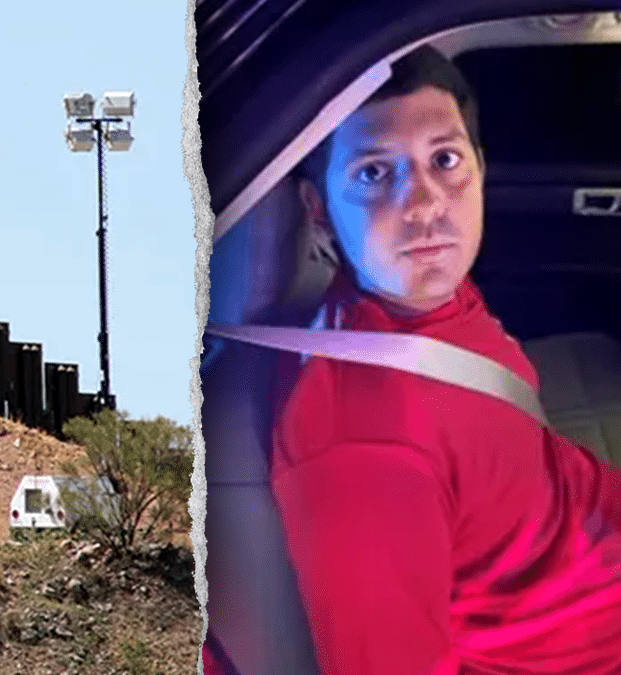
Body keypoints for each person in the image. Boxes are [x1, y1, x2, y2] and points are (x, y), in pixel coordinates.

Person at [264, 45, 621, 674]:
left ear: (481, 168)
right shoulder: (362, 445)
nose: (427, 203)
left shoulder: (419, 296)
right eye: (375, 173)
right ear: (318, 209)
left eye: (445, 160)